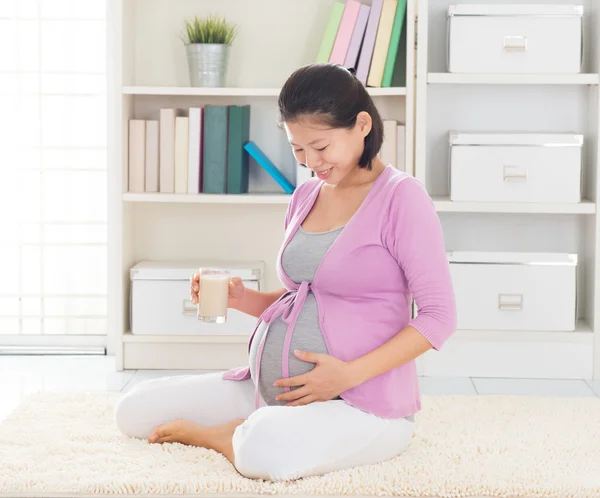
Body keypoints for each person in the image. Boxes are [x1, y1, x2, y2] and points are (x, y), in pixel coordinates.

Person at [114, 63, 457, 481]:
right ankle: (247, 426)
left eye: (320, 146)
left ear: (362, 125)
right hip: (272, 391)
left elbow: (439, 317)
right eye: (298, 150)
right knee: (133, 410)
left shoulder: (403, 198)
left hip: (363, 405)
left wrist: (346, 376)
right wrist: (242, 299)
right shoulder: (306, 195)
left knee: (265, 447)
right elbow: (305, 296)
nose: (311, 162)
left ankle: (225, 437)